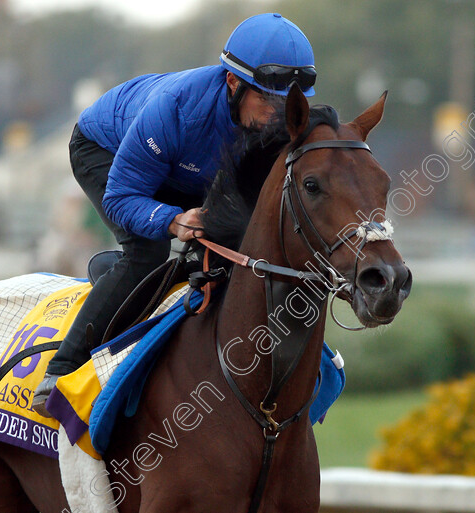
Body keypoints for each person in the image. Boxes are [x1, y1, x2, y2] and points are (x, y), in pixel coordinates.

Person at [32, 12, 318, 416]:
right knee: (147, 250)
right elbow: (120, 197)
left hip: (188, 168)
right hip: (107, 151)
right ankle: (61, 371)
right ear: (233, 83)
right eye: (266, 99)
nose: (277, 114)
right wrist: (171, 220)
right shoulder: (176, 109)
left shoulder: (273, 118)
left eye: (286, 102)